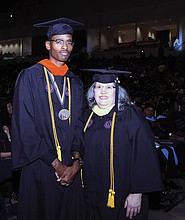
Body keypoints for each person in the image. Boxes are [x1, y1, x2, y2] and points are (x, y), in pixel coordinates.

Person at [11, 17, 85, 220]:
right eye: (59, 41)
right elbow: (25, 126)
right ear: (48, 44)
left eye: (69, 42)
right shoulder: (30, 77)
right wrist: (57, 164)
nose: (65, 47)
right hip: (40, 166)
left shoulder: (75, 82)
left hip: (71, 168)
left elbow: (79, 124)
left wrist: (76, 163)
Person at [78, 69, 163, 220]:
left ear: (117, 90)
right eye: (98, 87)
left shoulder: (130, 115)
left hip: (122, 192)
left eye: (109, 87)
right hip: (92, 193)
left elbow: (144, 154)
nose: (103, 91)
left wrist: (137, 193)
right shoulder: (88, 116)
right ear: (93, 91)